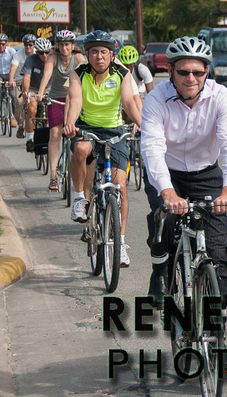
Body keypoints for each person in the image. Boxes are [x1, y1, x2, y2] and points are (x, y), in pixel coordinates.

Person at [140, 36, 227, 325]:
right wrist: (168, 192)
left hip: (206, 172)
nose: (191, 78)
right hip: (166, 173)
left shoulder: (220, 96)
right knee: (166, 220)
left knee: (218, 250)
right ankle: (159, 272)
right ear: (170, 71)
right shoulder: (155, 98)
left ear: (207, 72)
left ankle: (214, 324)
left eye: (198, 72)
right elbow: (152, 148)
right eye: (183, 72)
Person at [63, 30, 142, 268]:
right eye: (94, 52)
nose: (99, 56)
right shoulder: (78, 74)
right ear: (87, 54)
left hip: (115, 129)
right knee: (81, 150)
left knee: (121, 187)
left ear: (111, 54)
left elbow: (128, 101)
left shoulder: (122, 73)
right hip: (86, 126)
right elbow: (76, 100)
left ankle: (121, 244)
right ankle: (79, 198)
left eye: (104, 52)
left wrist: (141, 123)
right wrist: (70, 123)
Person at [37, 30, 86, 192]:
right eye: (61, 45)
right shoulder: (52, 57)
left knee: (79, 135)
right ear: (57, 46)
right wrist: (40, 92)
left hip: (74, 100)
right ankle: (52, 175)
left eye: (67, 44)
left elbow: (87, 77)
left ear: (73, 46)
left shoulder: (78, 58)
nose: (64, 48)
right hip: (56, 99)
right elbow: (47, 75)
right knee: (55, 135)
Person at [22, 38, 53, 152]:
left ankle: (51, 137)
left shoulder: (53, 58)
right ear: (37, 52)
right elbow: (26, 76)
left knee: (51, 110)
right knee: (31, 108)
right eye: (41, 53)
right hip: (33, 88)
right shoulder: (31, 59)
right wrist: (25, 91)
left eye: (47, 52)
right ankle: (30, 140)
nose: (45, 55)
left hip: (49, 89)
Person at [9, 33, 36, 138]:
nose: (28, 47)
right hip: (19, 80)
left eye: (30, 45)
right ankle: (20, 125)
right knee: (18, 102)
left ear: (34, 45)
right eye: (26, 45)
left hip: (33, 81)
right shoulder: (18, 54)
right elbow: (13, 68)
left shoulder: (38, 54)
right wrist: (11, 80)